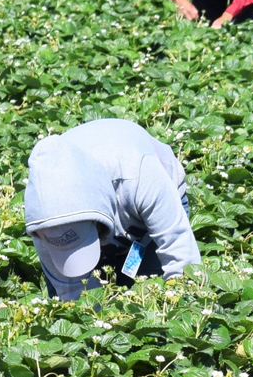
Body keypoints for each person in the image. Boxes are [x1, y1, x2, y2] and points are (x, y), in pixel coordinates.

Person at [24, 119, 201, 301]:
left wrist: (183, 303)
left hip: (148, 212)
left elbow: (181, 256)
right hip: (115, 212)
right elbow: (75, 296)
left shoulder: (137, 174)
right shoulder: (42, 220)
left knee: (149, 295)